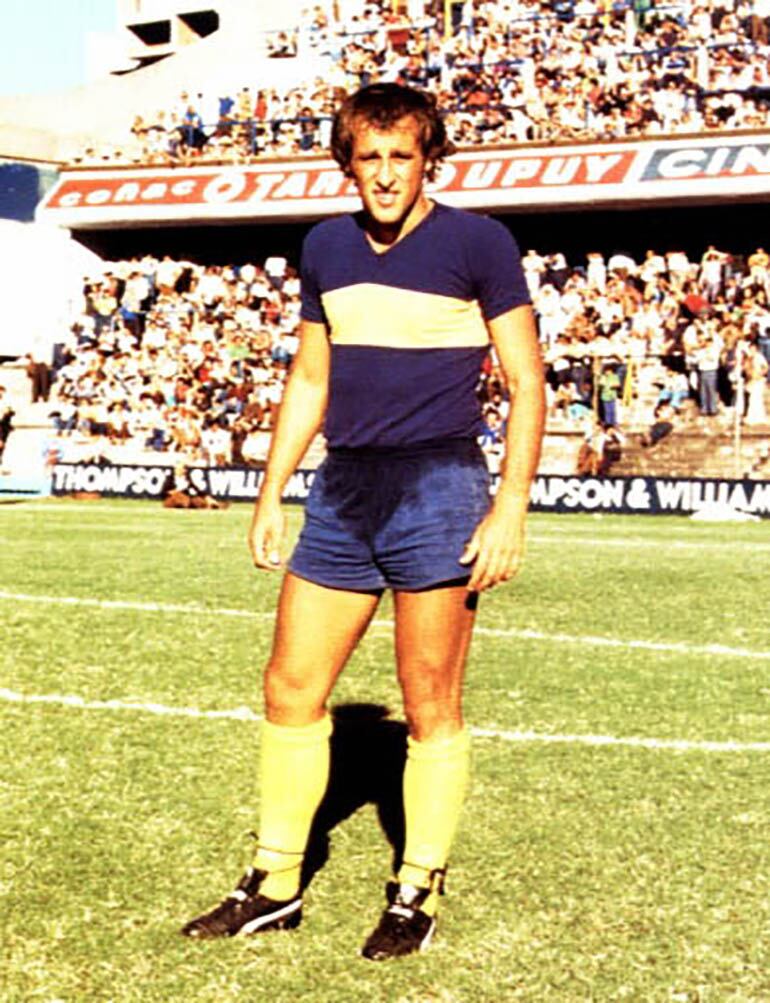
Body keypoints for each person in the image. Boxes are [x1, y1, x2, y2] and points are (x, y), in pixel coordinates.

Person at [181, 83, 545, 959]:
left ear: (429, 160)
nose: (385, 174)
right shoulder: (325, 245)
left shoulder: (479, 242)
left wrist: (510, 506)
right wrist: (272, 489)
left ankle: (417, 887)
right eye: (369, 157)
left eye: (401, 156)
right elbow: (310, 377)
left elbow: (527, 379)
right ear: (348, 162)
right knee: (289, 687)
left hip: (439, 487)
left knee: (430, 703)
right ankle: (274, 882)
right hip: (343, 491)